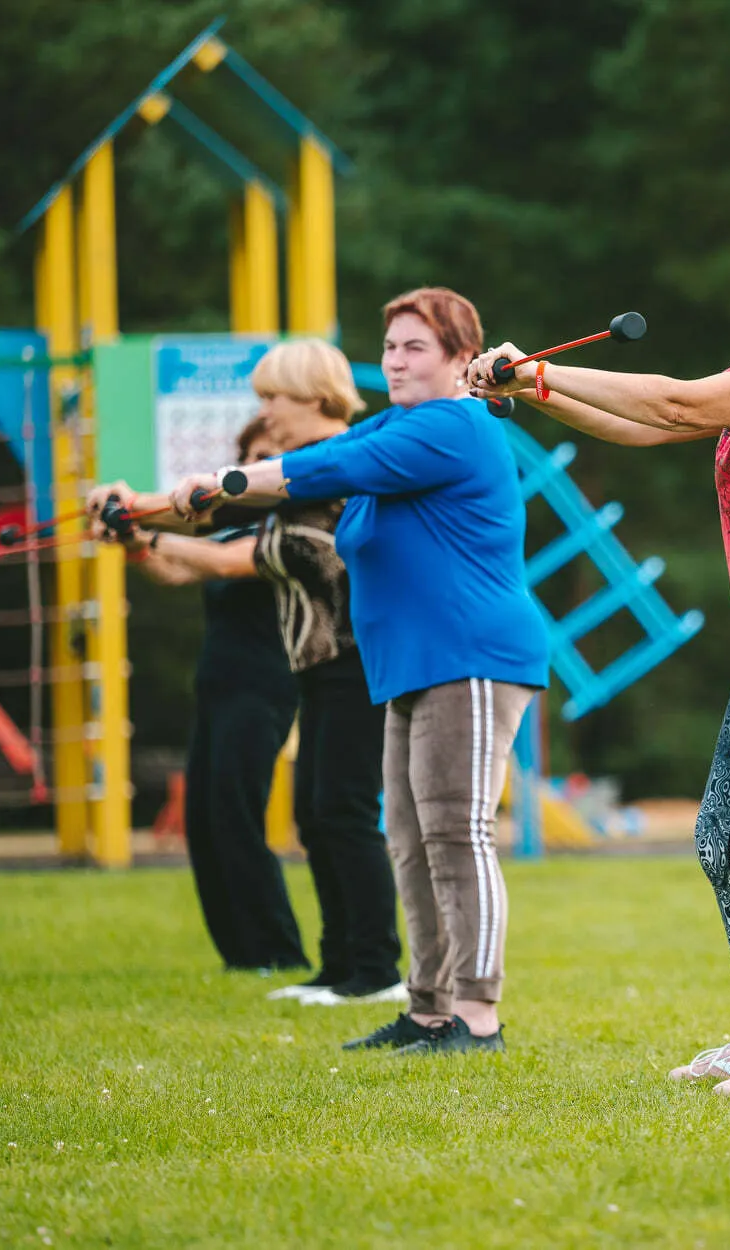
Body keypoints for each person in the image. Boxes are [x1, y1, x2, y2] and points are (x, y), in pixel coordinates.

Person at [468, 177, 730, 1094]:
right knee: (716, 833)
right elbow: (645, 430)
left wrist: (535, 372)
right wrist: (531, 385)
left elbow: (666, 404)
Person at [172, 288, 549, 1058]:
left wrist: (232, 479)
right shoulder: (400, 425)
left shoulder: (453, 425)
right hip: (409, 667)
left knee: (454, 835)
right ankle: (430, 1010)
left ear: (457, 359)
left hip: (469, 656)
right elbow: (328, 459)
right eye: (389, 348)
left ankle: (476, 1015)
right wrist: (165, 502)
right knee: (410, 841)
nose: (397, 361)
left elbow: (332, 461)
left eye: (416, 347)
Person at [93, 341, 405, 1007]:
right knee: (317, 815)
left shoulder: (336, 468)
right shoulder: (299, 471)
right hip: (319, 665)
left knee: (343, 813)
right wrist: (134, 514)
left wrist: (141, 524)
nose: (263, 412)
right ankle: (339, 966)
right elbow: (209, 514)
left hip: (361, 662)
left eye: (273, 399)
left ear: (315, 399)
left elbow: (235, 552)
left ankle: (376, 970)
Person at [117, 417, 305, 974]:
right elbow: (172, 575)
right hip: (219, 684)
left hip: (264, 688)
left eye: (269, 457)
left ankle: (279, 952)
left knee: (237, 817)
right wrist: (131, 540)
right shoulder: (227, 528)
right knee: (204, 820)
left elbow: (225, 563)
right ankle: (241, 954)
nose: (256, 466)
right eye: (249, 458)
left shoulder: (288, 527)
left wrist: (149, 531)